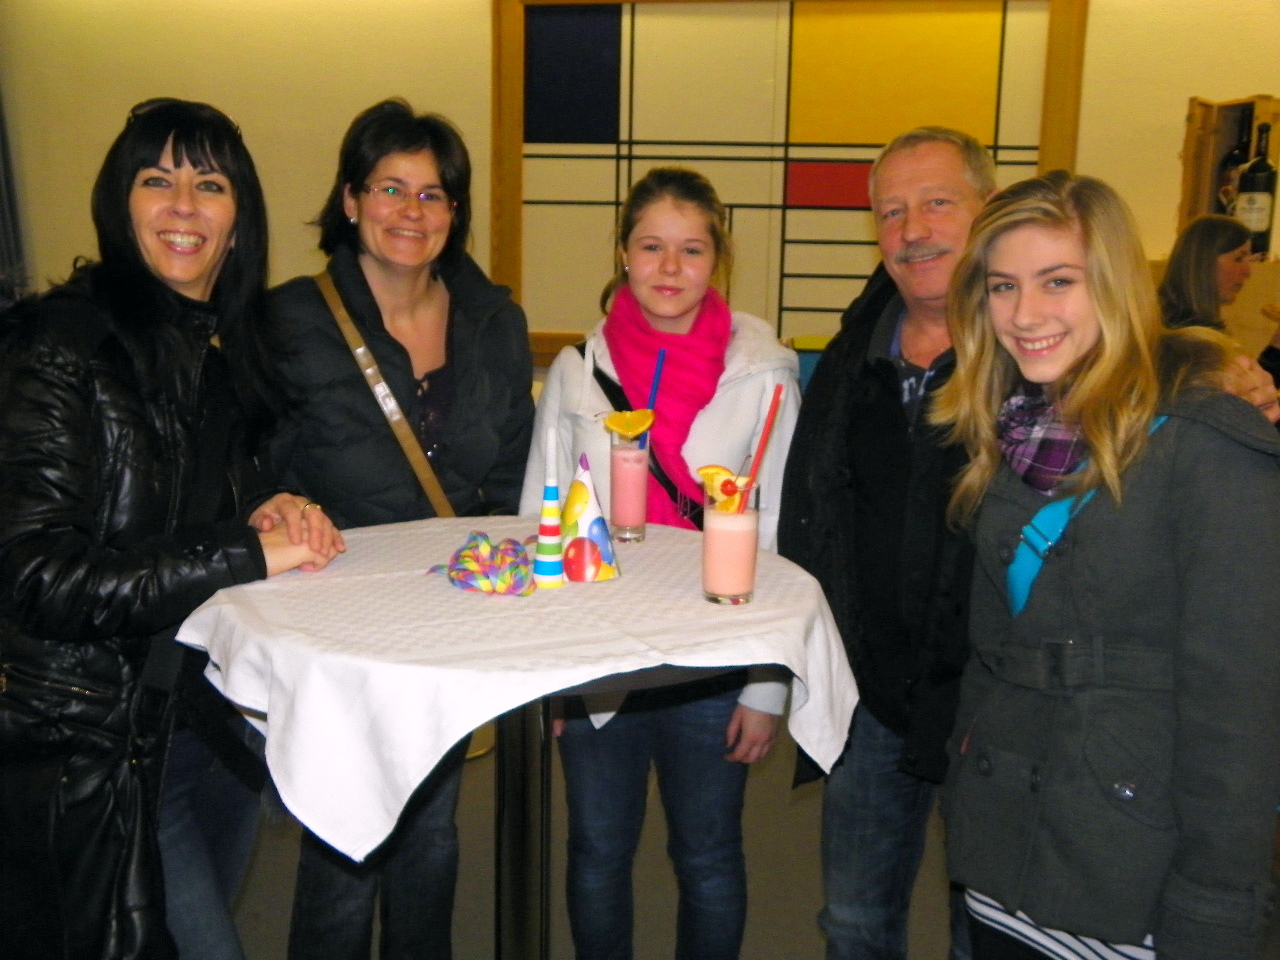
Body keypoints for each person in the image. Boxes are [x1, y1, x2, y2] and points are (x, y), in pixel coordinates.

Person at [0, 97, 343, 960]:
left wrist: (267, 504)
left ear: (239, 222)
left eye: (210, 185)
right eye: (158, 180)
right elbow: (39, 578)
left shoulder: (220, 356)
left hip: (207, 723)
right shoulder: (59, 346)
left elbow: (193, 496)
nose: (184, 206)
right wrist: (243, 549)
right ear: (121, 204)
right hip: (96, 746)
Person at [931, 170, 1280, 960]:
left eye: (1058, 281)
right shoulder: (1007, 431)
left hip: (1128, 863)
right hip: (1004, 840)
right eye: (1003, 286)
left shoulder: (1206, 443)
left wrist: (1216, 907)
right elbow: (990, 655)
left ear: (1116, 284)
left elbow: (1238, 714)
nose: (1025, 314)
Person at [269, 98, 534, 960]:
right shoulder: (289, 322)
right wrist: (275, 503)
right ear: (350, 200)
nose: (411, 211)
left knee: (431, 835)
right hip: (335, 622)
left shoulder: (493, 320)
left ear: (455, 212)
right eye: (390, 188)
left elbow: (510, 473)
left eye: (433, 194)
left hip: (448, 621)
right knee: (344, 849)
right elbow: (254, 461)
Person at [519, 166, 798, 960]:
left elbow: (777, 530)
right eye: (651, 246)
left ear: (718, 261)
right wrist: (544, 670)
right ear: (622, 252)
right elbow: (542, 512)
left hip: (714, 652)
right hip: (597, 649)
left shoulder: (765, 375)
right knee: (597, 849)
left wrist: (767, 683)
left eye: (692, 249)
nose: (670, 268)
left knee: (706, 855)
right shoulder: (577, 369)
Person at [778, 126, 992, 960]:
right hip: (870, 690)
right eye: (892, 211)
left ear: (989, 210)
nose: (914, 230)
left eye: (938, 202)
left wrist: (1211, 369)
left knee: (987, 931)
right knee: (856, 923)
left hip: (992, 701)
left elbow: (1137, 356)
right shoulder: (852, 353)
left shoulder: (1035, 349)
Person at [1158, 213, 1254, 330]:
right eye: (1238, 259)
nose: (1247, 272)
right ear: (1204, 262)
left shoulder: (1177, 321)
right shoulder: (1186, 332)